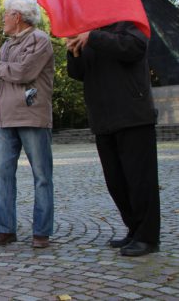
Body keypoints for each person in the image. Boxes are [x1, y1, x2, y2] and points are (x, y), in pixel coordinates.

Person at [66, 21, 160, 257]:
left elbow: (135, 48)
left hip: (133, 116)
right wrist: (73, 51)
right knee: (116, 182)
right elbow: (77, 73)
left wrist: (92, 38)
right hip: (103, 119)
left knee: (140, 181)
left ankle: (147, 237)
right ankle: (134, 229)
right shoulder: (91, 31)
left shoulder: (128, 23)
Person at [0, 0, 55, 249]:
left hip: (32, 116)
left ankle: (41, 232)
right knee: (1, 175)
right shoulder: (6, 46)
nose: (3, 18)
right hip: (4, 119)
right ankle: (4, 229)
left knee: (41, 176)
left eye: (6, 14)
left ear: (18, 17)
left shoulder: (40, 41)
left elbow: (25, 72)